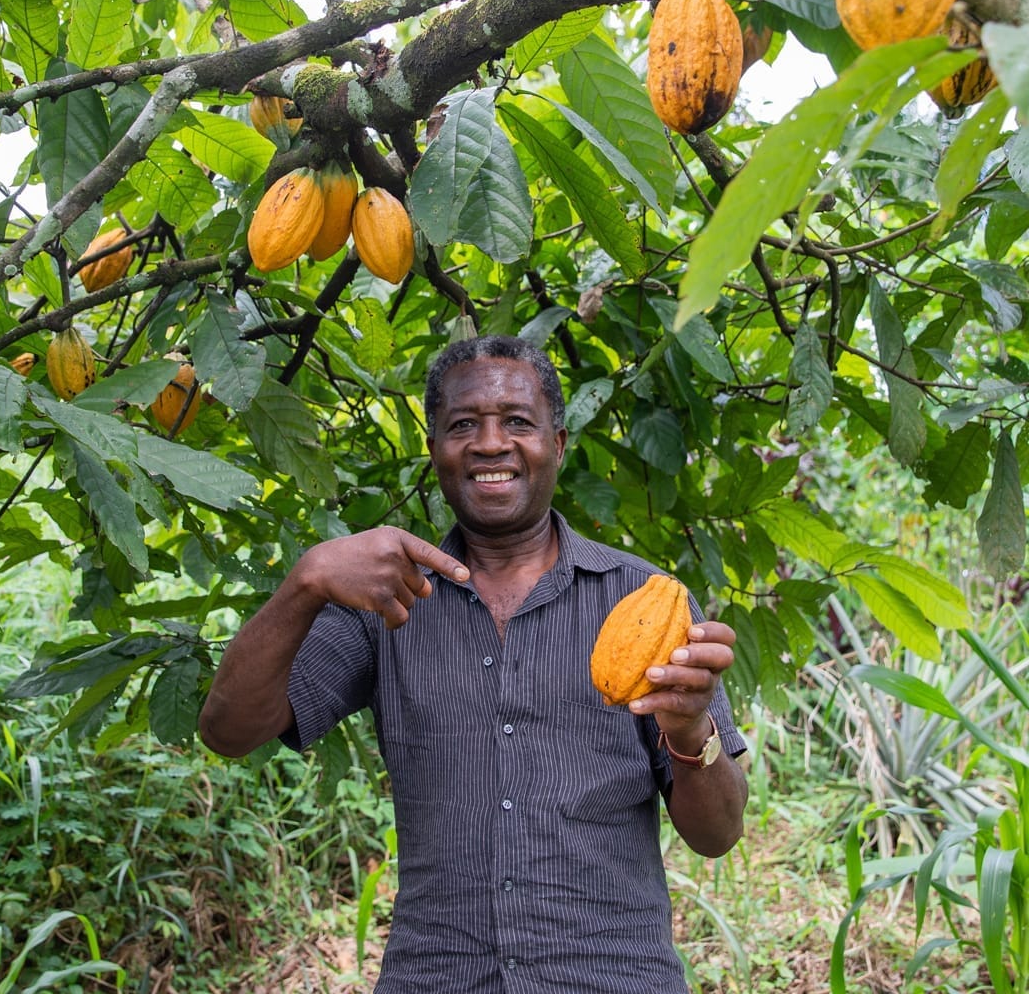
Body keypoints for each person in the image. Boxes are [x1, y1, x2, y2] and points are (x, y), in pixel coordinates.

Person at [199, 334, 748, 992]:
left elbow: (717, 834)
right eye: (464, 425)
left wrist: (691, 737)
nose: (490, 443)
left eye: (517, 421)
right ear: (435, 451)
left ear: (559, 444)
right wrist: (307, 579)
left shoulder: (647, 604)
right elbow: (227, 731)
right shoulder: (383, 602)